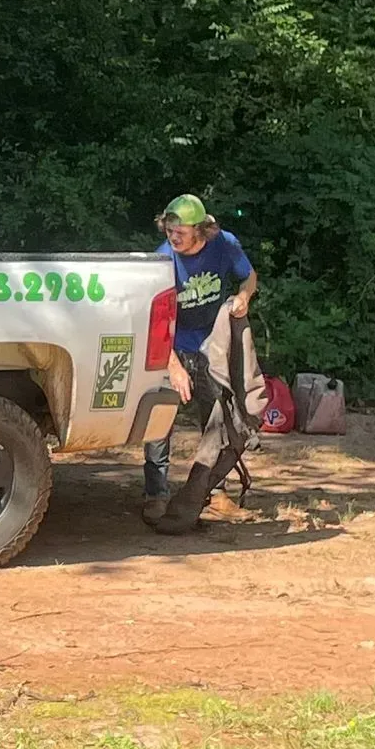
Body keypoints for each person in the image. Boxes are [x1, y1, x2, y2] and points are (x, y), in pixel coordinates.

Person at [143, 193, 258, 524]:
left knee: (217, 420)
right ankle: (155, 495)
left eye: (180, 230)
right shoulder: (162, 262)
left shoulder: (224, 244)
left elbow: (248, 276)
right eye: (169, 229)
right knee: (159, 422)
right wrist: (174, 367)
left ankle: (213, 491)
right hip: (172, 347)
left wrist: (243, 297)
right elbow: (155, 324)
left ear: (202, 230)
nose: (173, 236)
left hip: (212, 346)